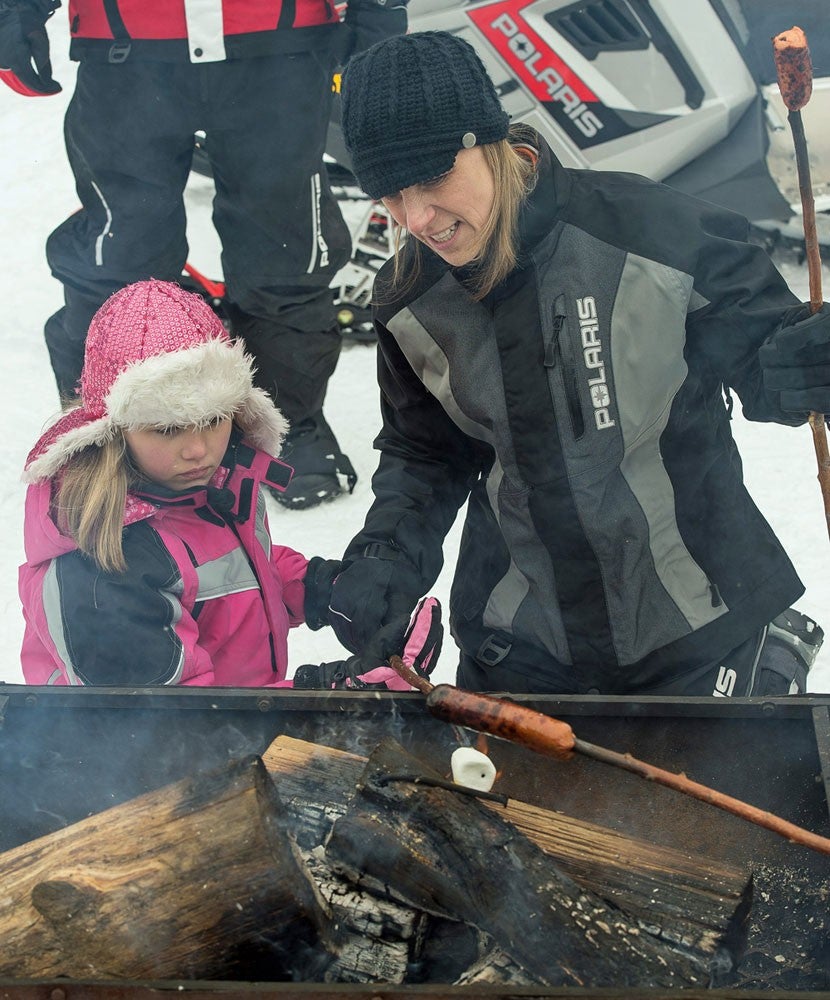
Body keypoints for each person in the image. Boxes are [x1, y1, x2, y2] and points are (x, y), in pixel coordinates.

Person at [324, 30, 829, 697]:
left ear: (489, 140)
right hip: (520, 648)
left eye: (431, 178)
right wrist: (386, 555)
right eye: (388, 197)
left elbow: (767, 364)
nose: (415, 218)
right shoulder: (410, 299)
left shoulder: (655, 234)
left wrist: (803, 363)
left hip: (697, 624)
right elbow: (427, 454)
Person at [0, 0, 407, 509]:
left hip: (279, 47)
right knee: (117, 263)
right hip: (127, 50)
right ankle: (107, 433)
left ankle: (288, 424)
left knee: (286, 255)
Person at [18, 279, 441, 687]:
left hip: (240, 736)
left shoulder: (214, 482)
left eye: (213, 419)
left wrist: (320, 589)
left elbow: (232, 565)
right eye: (168, 429)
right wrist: (336, 691)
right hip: (157, 753)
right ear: (114, 429)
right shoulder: (98, 562)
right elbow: (173, 728)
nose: (198, 449)